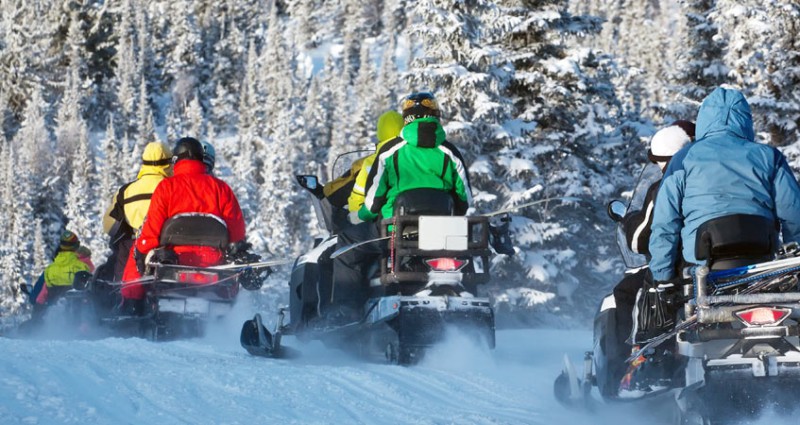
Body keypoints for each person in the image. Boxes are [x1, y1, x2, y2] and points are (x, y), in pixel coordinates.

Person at [329, 92, 473, 322]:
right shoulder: (450, 152)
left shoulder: (390, 152)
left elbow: (373, 199)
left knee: (347, 244)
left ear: (406, 118)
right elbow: (465, 199)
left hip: (394, 231)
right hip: (442, 233)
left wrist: (361, 216)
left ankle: (345, 312)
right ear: (436, 115)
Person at [649, 87, 800, 283]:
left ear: (704, 119)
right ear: (745, 119)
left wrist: (662, 275)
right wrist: (794, 264)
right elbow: (794, 216)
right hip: (761, 256)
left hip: (701, 262)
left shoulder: (683, 159)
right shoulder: (770, 157)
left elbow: (665, 221)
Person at [608, 121, 694, 391]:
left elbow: (648, 235)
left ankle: (626, 369)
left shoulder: (669, 184)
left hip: (683, 266)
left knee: (628, 293)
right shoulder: (739, 170)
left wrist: (631, 219)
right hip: (739, 267)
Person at [121, 137, 246, 314]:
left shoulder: (166, 187)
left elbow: (152, 230)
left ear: (176, 160)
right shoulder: (221, 188)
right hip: (213, 263)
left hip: (173, 261)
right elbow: (237, 232)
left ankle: (131, 307)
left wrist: (141, 252)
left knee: (137, 248)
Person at [102, 141, 173, 281]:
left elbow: (109, 226)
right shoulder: (173, 188)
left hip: (135, 248)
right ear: (168, 164)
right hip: (168, 248)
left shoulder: (126, 191)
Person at [28, 230, 91, 307]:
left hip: (53, 313)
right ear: (76, 246)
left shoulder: (49, 270)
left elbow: (40, 296)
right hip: (77, 314)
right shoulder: (82, 267)